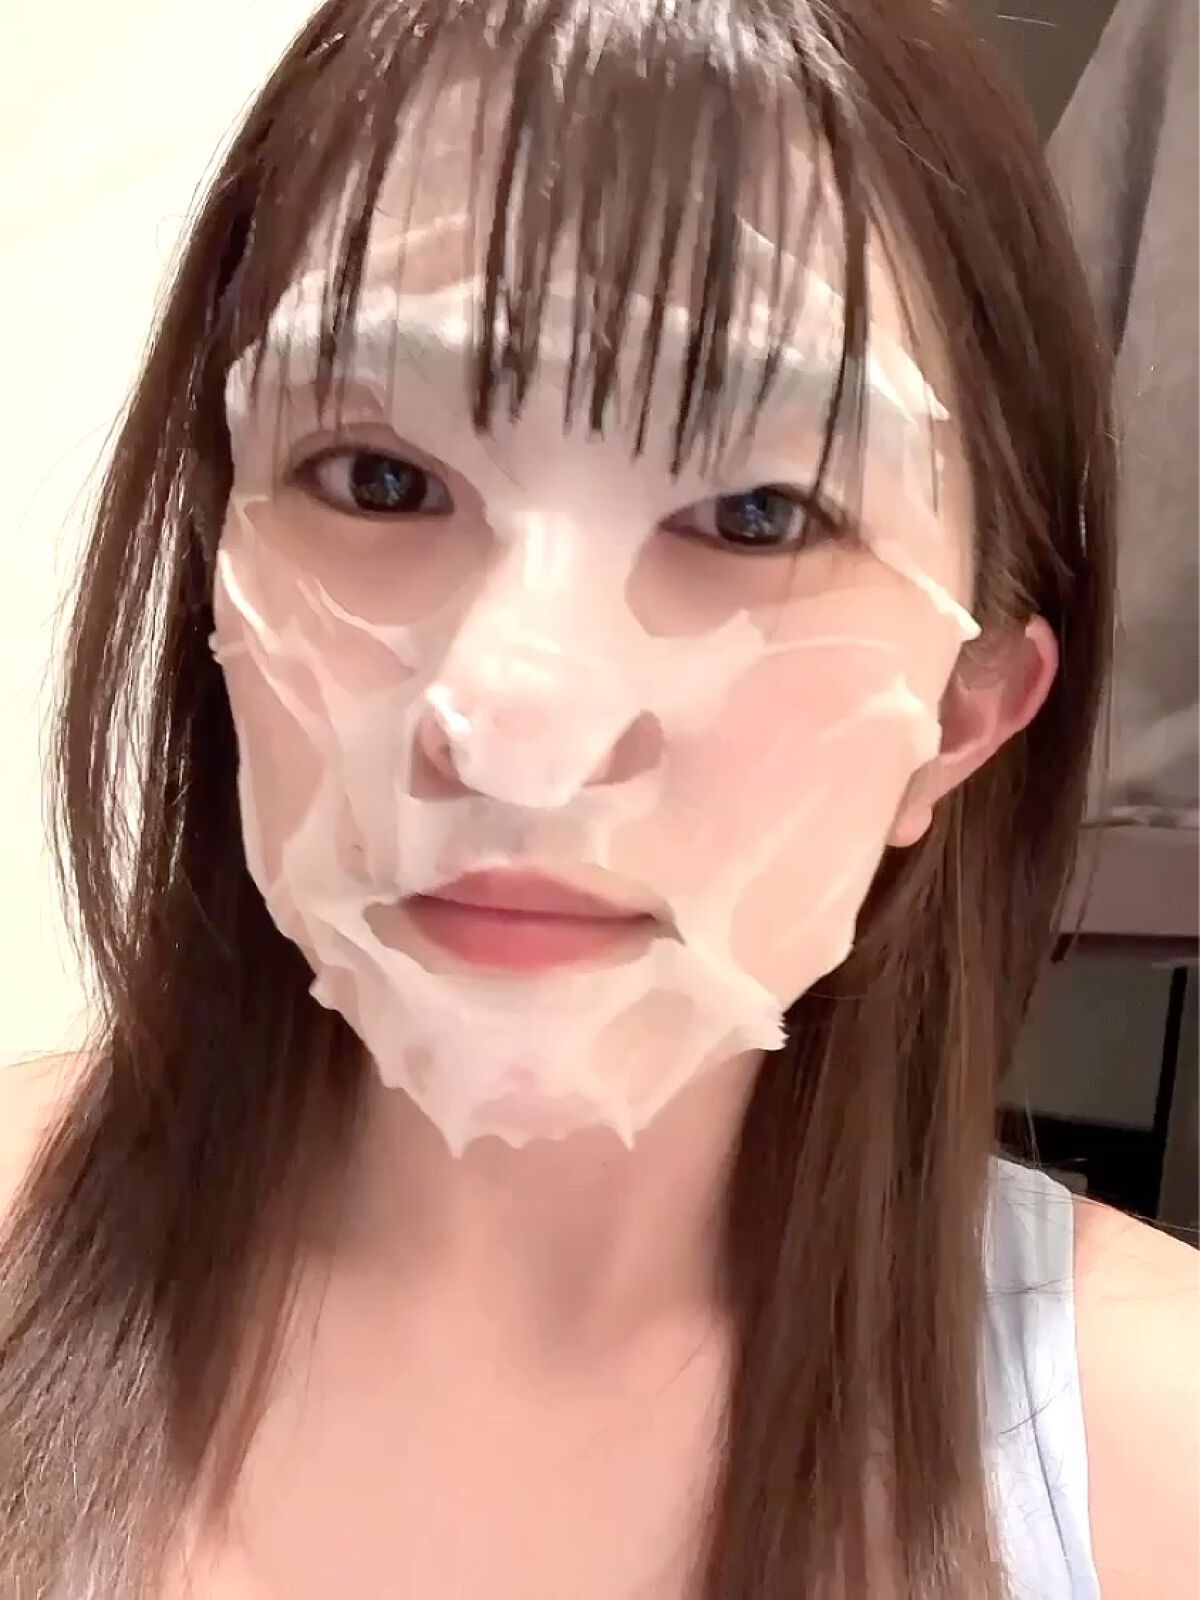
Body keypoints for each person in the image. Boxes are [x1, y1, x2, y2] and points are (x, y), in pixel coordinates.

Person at [0, 1, 1195, 1596]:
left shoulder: (1161, 1453)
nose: (516, 735)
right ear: (218, 568)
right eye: (381, 479)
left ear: (968, 712)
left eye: (756, 516)